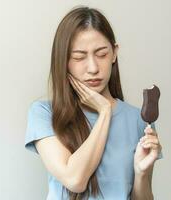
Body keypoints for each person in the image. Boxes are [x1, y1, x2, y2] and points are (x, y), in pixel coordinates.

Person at [24, 6, 163, 200]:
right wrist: (105, 111)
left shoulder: (138, 119)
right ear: (63, 61)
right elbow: (74, 179)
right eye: (79, 57)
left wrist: (141, 173)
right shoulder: (44, 113)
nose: (93, 68)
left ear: (114, 53)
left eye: (102, 54)